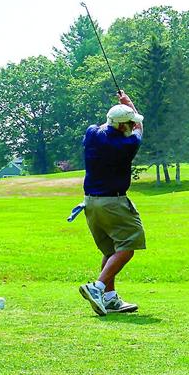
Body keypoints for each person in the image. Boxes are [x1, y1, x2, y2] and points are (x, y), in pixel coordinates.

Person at [78, 91, 146, 316]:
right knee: (128, 247)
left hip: (90, 203)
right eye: (128, 123)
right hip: (113, 202)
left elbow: (111, 125)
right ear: (121, 127)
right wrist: (129, 104)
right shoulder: (127, 145)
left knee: (110, 250)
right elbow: (139, 130)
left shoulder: (91, 134)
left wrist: (122, 110)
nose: (132, 125)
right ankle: (97, 288)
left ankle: (109, 299)